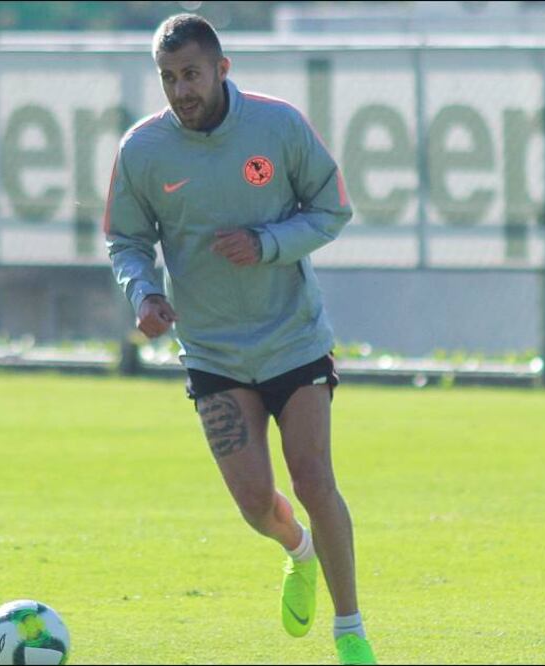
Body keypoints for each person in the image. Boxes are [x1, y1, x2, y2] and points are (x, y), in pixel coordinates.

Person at [103, 14, 376, 666]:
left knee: (313, 478)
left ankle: (351, 634)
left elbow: (332, 208)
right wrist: (144, 294)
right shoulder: (142, 150)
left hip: (292, 338)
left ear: (221, 69)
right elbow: (125, 241)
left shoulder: (277, 126)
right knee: (256, 505)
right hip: (213, 353)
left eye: (191, 74)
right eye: (168, 78)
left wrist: (266, 244)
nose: (180, 90)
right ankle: (298, 552)